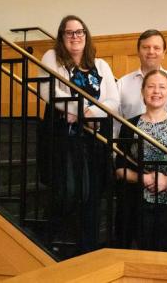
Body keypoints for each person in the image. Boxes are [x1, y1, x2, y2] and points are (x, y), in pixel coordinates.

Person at [38, 15, 119, 254]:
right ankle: (53, 243)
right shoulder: (52, 58)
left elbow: (113, 100)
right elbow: (48, 91)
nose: (75, 36)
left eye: (79, 31)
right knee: (68, 191)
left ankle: (88, 248)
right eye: (69, 32)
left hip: (94, 138)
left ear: (86, 35)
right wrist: (81, 111)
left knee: (92, 194)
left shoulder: (101, 64)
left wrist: (89, 113)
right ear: (62, 36)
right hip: (61, 136)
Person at [115, 69, 167, 251]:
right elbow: (120, 169)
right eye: (151, 87)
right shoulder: (129, 125)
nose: (156, 91)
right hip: (138, 205)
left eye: (162, 87)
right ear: (143, 92)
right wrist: (143, 178)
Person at [116, 29, 167, 136]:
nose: (151, 52)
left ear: (164, 53)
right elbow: (116, 123)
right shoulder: (122, 83)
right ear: (138, 52)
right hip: (132, 146)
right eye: (146, 47)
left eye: (156, 48)